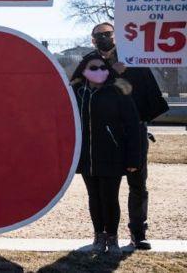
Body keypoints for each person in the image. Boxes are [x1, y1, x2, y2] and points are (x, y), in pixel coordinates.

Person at [87, 22, 169, 250]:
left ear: (116, 36)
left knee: (138, 185)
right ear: (93, 40)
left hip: (134, 134)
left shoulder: (135, 59)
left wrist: (137, 121)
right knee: (104, 189)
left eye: (108, 33)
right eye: (99, 35)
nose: (104, 38)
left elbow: (152, 99)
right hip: (104, 137)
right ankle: (105, 234)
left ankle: (138, 233)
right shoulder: (89, 62)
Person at [71, 52, 141, 255]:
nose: (99, 72)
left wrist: (133, 158)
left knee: (110, 198)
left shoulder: (118, 92)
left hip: (112, 155)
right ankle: (98, 236)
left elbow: (132, 126)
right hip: (87, 157)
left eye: (102, 67)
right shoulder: (77, 93)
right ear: (83, 71)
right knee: (94, 197)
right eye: (93, 68)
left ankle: (113, 238)